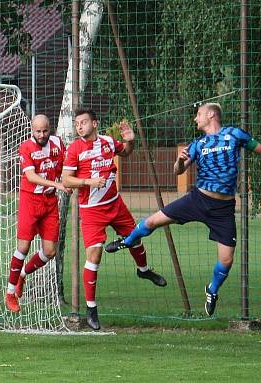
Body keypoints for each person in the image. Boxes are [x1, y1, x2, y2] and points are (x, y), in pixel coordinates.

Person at [105, 103, 261, 316]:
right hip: (197, 200)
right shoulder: (197, 144)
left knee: (226, 260)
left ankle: (212, 289)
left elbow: (257, 147)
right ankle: (127, 240)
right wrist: (179, 161)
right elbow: (178, 171)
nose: (195, 119)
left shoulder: (234, 134)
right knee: (152, 222)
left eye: (198, 114)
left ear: (211, 114)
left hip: (223, 209)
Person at [61, 109, 167, 330]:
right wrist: (88, 182)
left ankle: (144, 270)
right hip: (91, 210)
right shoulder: (75, 150)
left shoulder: (108, 141)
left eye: (83, 122)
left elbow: (126, 153)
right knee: (95, 254)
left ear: (95, 123)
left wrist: (131, 141)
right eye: (76, 123)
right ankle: (91, 309)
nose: (79, 126)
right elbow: (67, 180)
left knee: (136, 238)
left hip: (115, 205)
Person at [5, 115, 71, 313]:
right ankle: (10, 293)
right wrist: (57, 184)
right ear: (32, 130)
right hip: (30, 201)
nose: (41, 135)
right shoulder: (26, 147)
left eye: (45, 131)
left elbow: (68, 165)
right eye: (37, 131)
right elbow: (31, 176)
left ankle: (22, 275)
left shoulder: (58, 143)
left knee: (50, 251)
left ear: (50, 128)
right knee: (23, 247)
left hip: (50, 202)